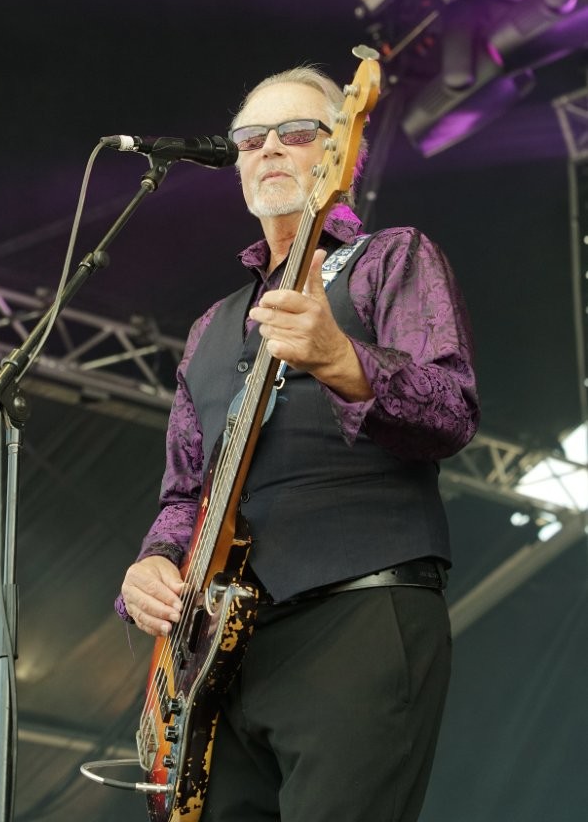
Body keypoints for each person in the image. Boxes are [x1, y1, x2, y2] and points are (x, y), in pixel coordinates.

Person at [116, 64, 480, 822]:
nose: (271, 148)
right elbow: (185, 491)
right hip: (219, 657)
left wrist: (343, 360)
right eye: (251, 139)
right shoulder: (210, 328)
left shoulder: (393, 258)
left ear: (344, 151)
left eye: (298, 132)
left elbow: (452, 412)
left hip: (357, 613)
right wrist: (153, 563)